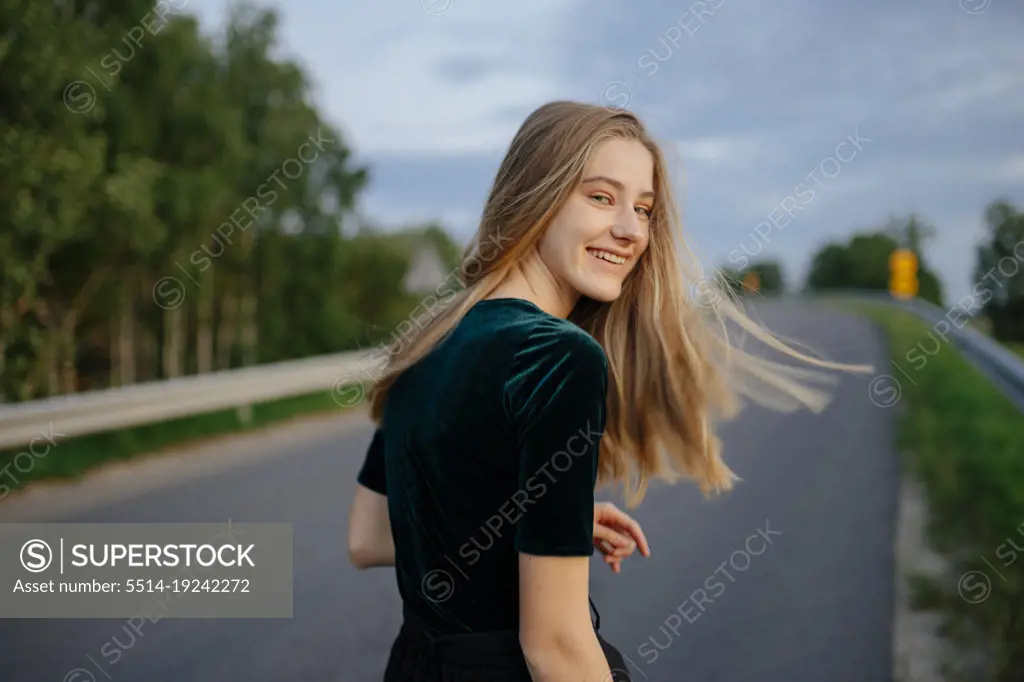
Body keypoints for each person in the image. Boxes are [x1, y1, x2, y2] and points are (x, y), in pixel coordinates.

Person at [346, 100, 871, 681]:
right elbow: (555, 645)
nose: (630, 230)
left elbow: (368, 537)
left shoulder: (429, 337)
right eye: (600, 197)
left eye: (644, 209)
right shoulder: (558, 355)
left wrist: (538, 518)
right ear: (535, 199)